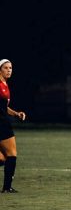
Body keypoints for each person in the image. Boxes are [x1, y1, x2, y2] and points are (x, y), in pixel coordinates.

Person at [0, 59, 26, 194]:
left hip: (3, 121)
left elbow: (4, 107)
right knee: (12, 154)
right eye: (5, 68)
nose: (9, 70)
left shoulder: (5, 84)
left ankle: (6, 187)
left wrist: (16, 114)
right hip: (2, 123)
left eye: (10, 68)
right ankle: (6, 187)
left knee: (2, 158)